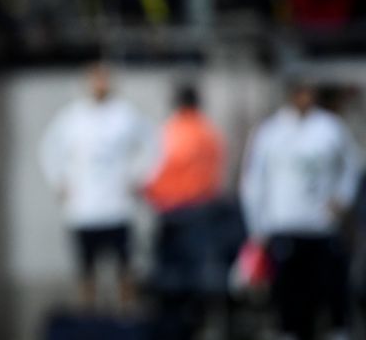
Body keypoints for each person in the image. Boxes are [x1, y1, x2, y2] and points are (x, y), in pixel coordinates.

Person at [240, 80, 363, 340]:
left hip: (321, 226)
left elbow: (352, 168)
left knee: (329, 293)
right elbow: (253, 182)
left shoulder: (330, 128)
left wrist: (342, 198)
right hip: (284, 225)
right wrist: (257, 229)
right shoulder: (270, 131)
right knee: (290, 299)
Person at [39, 63, 153, 313]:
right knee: (86, 272)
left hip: (116, 209)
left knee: (124, 269)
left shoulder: (125, 115)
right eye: (95, 80)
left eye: (104, 79)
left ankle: (126, 318)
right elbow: (49, 149)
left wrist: (138, 178)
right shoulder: (72, 117)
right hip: (84, 210)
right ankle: (89, 321)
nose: (99, 85)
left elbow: (152, 146)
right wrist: (59, 182)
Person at [142, 84, 230, 340]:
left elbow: (156, 172)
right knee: (200, 280)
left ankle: (174, 330)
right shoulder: (210, 133)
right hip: (205, 211)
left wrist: (149, 192)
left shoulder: (171, 131)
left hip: (175, 215)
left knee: (171, 282)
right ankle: (200, 327)